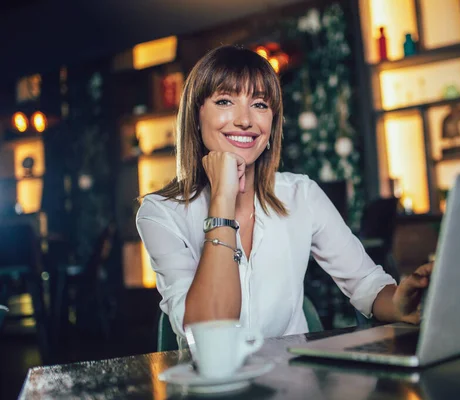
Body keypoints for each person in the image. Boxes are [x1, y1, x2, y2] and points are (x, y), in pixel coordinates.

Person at [136, 45, 432, 347]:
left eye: (260, 105)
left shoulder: (301, 195)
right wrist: (223, 199)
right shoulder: (160, 213)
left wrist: (399, 303)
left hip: (293, 382)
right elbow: (210, 337)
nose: (245, 120)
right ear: (196, 118)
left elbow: (366, 284)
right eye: (225, 101)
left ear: (272, 122)